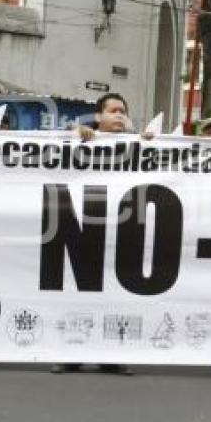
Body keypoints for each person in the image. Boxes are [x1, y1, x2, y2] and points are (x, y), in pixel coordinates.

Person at [53, 93, 133, 376]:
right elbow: (51, 146)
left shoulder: (137, 145)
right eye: (113, 111)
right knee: (78, 293)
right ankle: (70, 354)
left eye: (123, 111)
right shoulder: (81, 138)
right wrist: (77, 134)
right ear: (98, 117)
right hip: (81, 226)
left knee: (112, 294)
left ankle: (110, 355)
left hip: (117, 231)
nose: (119, 116)